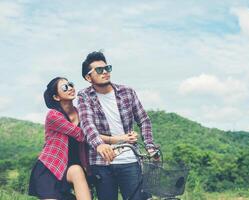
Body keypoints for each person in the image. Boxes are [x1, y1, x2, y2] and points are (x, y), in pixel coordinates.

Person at [77, 51, 157, 200]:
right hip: (101, 162)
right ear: (88, 77)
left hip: (130, 160)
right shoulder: (84, 96)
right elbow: (87, 124)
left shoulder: (127, 92)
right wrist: (99, 144)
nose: (105, 72)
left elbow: (144, 120)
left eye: (107, 68)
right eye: (99, 70)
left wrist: (150, 146)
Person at [28, 77, 92, 200]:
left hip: (69, 169)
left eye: (70, 84)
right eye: (65, 87)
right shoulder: (53, 115)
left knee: (77, 171)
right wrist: (114, 139)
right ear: (56, 97)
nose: (70, 88)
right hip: (50, 169)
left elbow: (93, 131)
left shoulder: (81, 113)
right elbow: (83, 135)